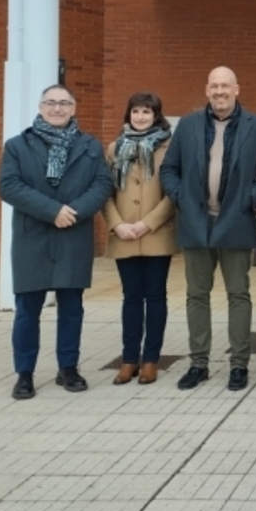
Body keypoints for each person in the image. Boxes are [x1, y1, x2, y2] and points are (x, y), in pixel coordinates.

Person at [160, 66, 256, 392]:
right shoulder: (188, 125)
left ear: (237, 89)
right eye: (214, 86)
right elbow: (170, 169)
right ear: (207, 89)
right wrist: (181, 197)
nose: (220, 91)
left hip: (236, 223)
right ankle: (199, 363)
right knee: (197, 295)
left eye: (225, 86)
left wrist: (248, 199)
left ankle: (239, 365)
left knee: (238, 295)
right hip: (197, 222)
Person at [0, 85, 113, 400]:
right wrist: (52, 211)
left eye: (64, 103)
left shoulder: (90, 146)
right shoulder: (18, 146)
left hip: (72, 235)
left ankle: (69, 368)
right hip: (32, 237)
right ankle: (25, 374)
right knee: (27, 311)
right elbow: (9, 186)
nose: (57, 108)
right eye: (51, 103)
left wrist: (72, 213)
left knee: (72, 308)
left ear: (74, 108)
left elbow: (103, 183)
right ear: (40, 106)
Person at [103, 92, 178, 386]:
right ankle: (129, 359)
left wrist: (148, 223)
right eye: (136, 111)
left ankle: (151, 360)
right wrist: (117, 224)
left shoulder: (170, 148)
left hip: (156, 233)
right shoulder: (113, 149)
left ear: (156, 115)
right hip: (123, 234)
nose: (141, 117)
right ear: (128, 114)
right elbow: (103, 192)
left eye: (147, 112)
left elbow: (174, 193)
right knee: (131, 298)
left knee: (156, 296)